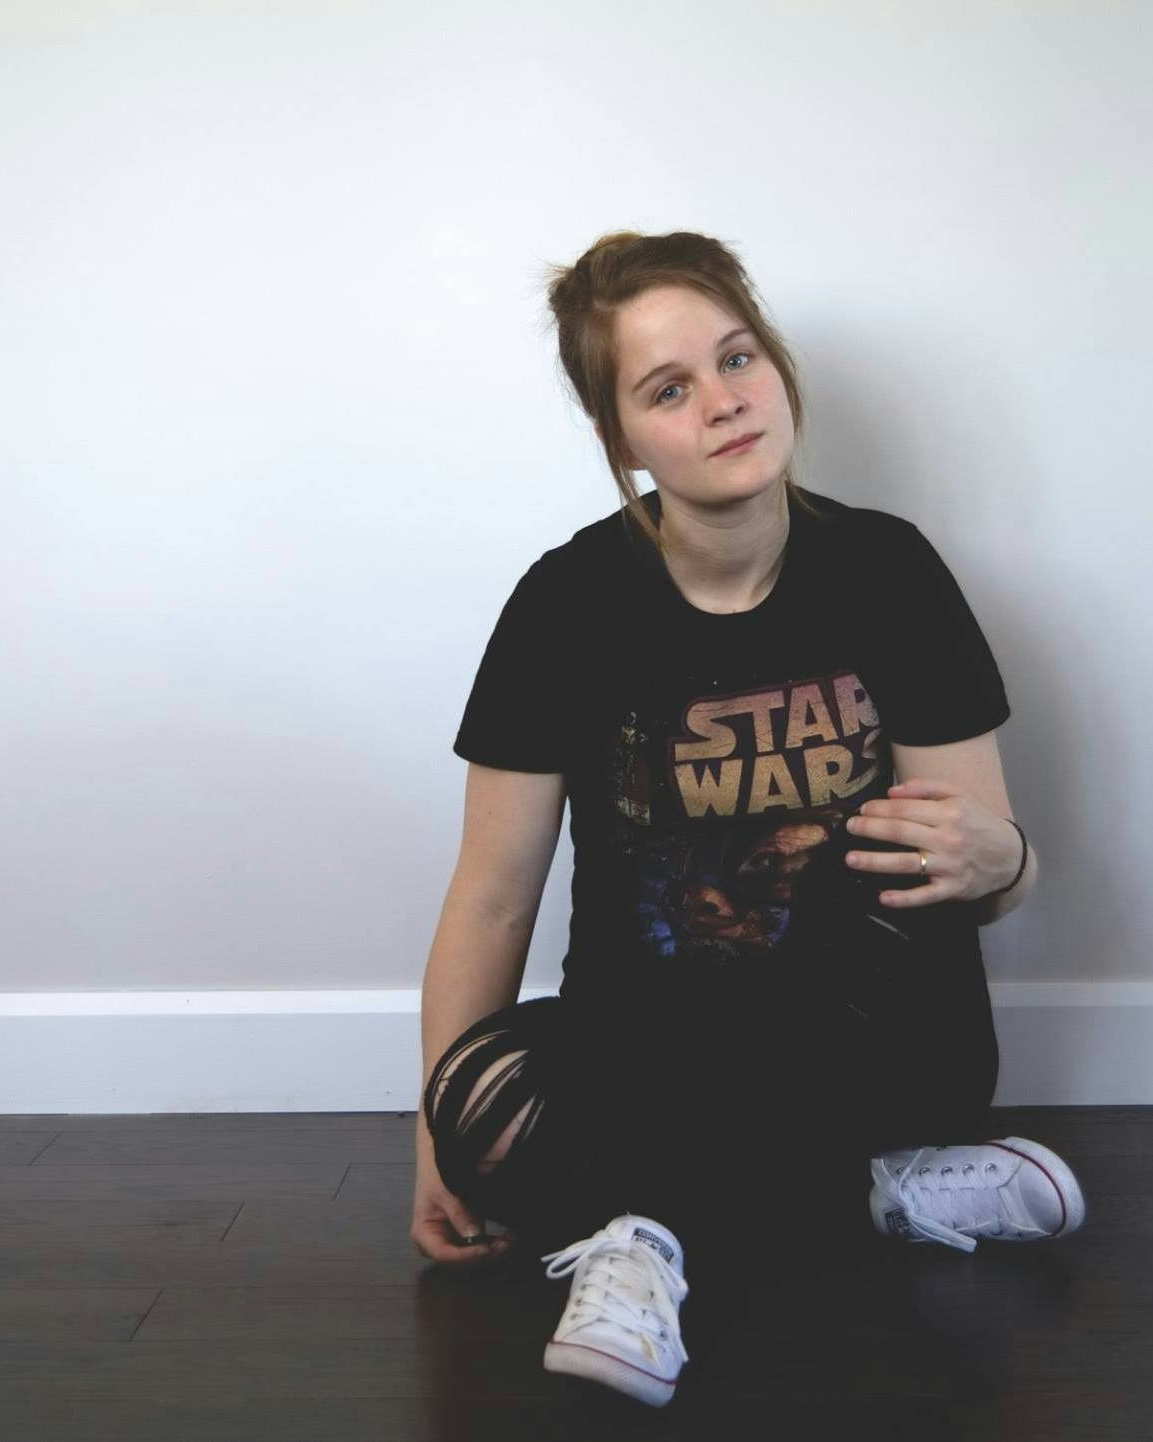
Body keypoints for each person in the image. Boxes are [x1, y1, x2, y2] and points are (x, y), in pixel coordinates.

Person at [409, 229, 1085, 1409]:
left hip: (866, 1035)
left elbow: (973, 866)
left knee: (625, 1114)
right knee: (479, 1104)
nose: (722, 401)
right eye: (667, 388)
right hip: (646, 1044)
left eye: (735, 358)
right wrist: (439, 1130)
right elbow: (492, 896)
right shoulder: (562, 603)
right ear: (621, 438)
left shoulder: (889, 569)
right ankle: (875, 1195)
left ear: (773, 364)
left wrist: (1012, 858)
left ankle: (634, 1227)